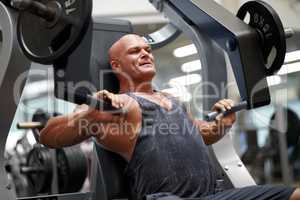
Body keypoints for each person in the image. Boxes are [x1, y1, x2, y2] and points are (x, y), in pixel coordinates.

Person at [40, 34, 300, 200]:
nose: (145, 53)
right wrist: (92, 110)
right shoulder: (111, 111)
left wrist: (221, 125)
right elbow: (48, 136)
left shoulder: (173, 101)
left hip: (214, 195)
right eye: (135, 51)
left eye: (147, 49)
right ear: (116, 65)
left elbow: (200, 132)